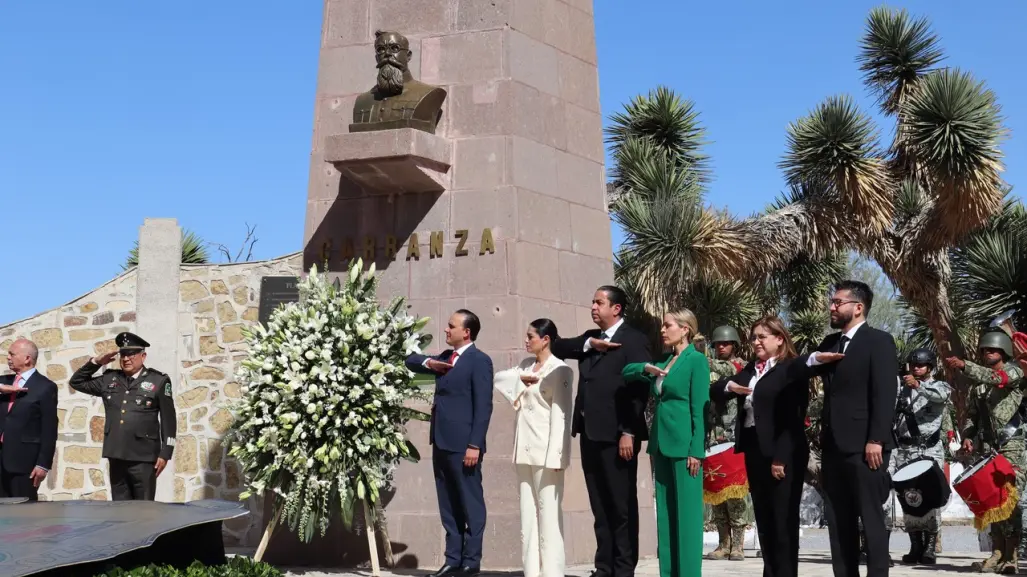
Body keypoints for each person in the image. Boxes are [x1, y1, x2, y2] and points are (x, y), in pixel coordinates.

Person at [713, 316, 829, 577]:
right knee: (764, 520)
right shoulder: (753, 369)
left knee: (782, 521)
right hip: (754, 450)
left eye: (762, 337)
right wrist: (731, 385)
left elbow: (793, 418)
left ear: (780, 339)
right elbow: (719, 388)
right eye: (754, 337)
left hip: (782, 452)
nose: (756, 342)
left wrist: (781, 457)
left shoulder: (789, 368)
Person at [551, 286, 651, 577]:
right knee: (599, 505)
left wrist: (628, 431)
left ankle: (623, 568)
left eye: (599, 302)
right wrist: (590, 345)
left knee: (621, 507)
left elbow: (639, 389)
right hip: (590, 433)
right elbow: (557, 346)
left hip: (618, 435)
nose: (593, 307)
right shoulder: (589, 339)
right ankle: (604, 565)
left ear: (616, 308)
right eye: (593, 302)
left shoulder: (634, 339)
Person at [804, 280, 898, 577]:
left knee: (871, 521)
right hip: (832, 446)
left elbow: (884, 395)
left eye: (837, 302)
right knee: (838, 522)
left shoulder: (879, 341)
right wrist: (814, 358)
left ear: (858, 307)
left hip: (865, 449)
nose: (831, 307)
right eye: (831, 302)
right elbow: (801, 368)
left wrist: (876, 439)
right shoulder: (830, 344)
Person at [406, 310, 494, 577]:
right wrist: (431, 364)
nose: (446, 330)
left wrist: (475, 445)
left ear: (466, 332)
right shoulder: (445, 358)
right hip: (441, 443)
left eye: (451, 326)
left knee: (470, 503)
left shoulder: (479, 361)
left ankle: (471, 560)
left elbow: (483, 407)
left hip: (464, 445)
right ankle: (452, 558)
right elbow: (410, 360)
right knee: (448, 504)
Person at [622, 309, 708, 577]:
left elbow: (699, 409)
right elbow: (627, 371)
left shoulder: (696, 360)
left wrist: (697, 450)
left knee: (688, 519)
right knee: (667, 517)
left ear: (685, 329)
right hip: (661, 444)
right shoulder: (665, 360)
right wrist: (645, 368)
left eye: (667, 325)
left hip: (686, 448)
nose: (662, 330)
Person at [493, 319, 574, 577]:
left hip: (547, 451)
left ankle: (552, 573)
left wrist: (557, 457)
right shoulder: (526, 365)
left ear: (546, 338)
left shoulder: (560, 370)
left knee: (549, 517)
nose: (526, 341)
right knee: (527, 517)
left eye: (531, 336)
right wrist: (521, 377)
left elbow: (562, 417)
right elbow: (499, 379)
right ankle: (531, 572)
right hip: (524, 449)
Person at [945, 329, 1026, 574]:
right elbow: (972, 416)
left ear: (1004, 352)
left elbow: (996, 378)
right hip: (989, 449)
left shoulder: (1014, 371)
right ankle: (997, 553)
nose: (988, 353)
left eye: (992, 349)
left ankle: (1012, 555)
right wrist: (968, 437)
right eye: (985, 350)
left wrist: (964, 365)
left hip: (1013, 446)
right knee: (992, 501)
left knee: (1009, 499)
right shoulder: (979, 387)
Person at [68, 332, 177, 501]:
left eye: (131, 354)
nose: (126, 359)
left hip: (144, 457)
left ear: (143, 356)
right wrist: (96, 362)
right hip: (116, 455)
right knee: (120, 511)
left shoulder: (158, 381)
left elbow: (169, 419)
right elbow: (77, 382)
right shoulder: (110, 379)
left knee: (143, 511)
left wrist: (166, 453)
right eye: (123, 355)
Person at [891, 348, 951, 565]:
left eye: (921, 365)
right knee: (909, 497)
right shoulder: (902, 389)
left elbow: (940, 397)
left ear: (930, 367)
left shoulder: (939, 386)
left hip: (928, 450)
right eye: (914, 365)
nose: (916, 368)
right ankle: (914, 544)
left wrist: (919, 386)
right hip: (905, 450)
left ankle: (930, 546)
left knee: (931, 499)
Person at [705, 325, 748, 561]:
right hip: (711, 438)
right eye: (718, 344)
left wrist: (695, 355)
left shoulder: (739, 367)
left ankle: (738, 545)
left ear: (735, 345)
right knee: (716, 494)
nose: (721, 347)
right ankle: (723, 543)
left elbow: (724, 368)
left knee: (735, 495)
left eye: (726, 343)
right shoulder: (709, 369)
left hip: (732, 439)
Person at [0, 339, 58, 500]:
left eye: (12, 354)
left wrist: (43, 464)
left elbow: (49, 429)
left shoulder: (45, 387)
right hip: (1, 461)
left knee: (23, 516)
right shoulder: (3, 382)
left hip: (24, 463)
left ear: (27, 358)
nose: (8, 358)